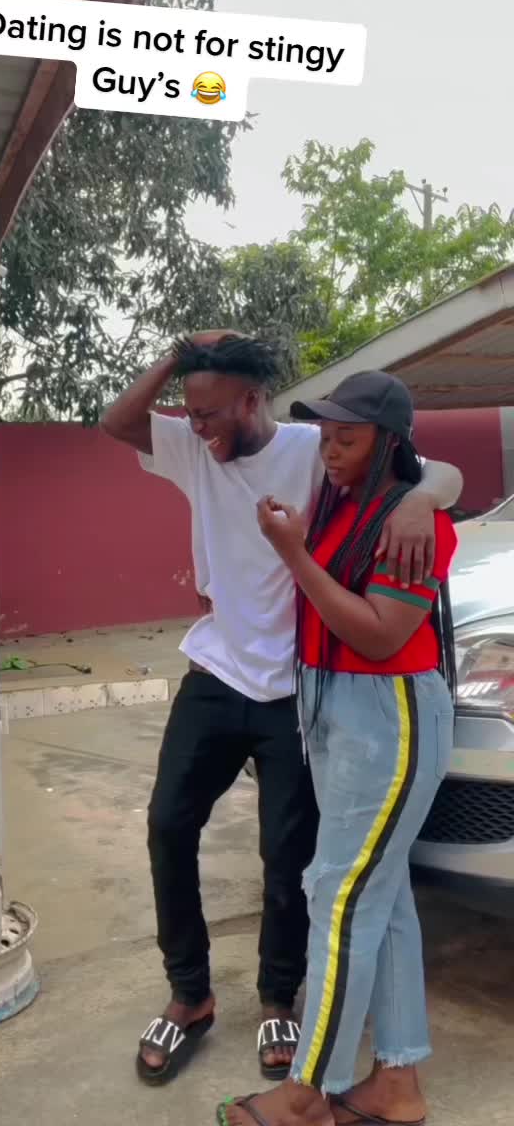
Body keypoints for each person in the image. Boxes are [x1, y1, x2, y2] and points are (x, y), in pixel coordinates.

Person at [100, 334, 462, 1087]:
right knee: (168, 823)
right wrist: (176, 357)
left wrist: (421, 501)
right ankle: (189, 994)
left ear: (251, 401)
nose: (197, 427)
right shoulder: (195, 450)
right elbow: (117, 422)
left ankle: (277, 997)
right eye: (190, 413)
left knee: (287, 854)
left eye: (210, 413)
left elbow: (437, 471)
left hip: (295, 688)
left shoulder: (316, 448)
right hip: (216, 669)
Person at [217, 369, 458, 1126]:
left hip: (388, 714)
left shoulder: (411, 525)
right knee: (380, 896)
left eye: (346, 439)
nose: (329, 451)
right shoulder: (340, 500)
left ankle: (307, 1093)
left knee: (341, 893)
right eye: (324, 437)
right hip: (331, 706)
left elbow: (380, 634)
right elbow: (443, 474)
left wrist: (296, 554)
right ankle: (397, 1085)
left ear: (386, 443)